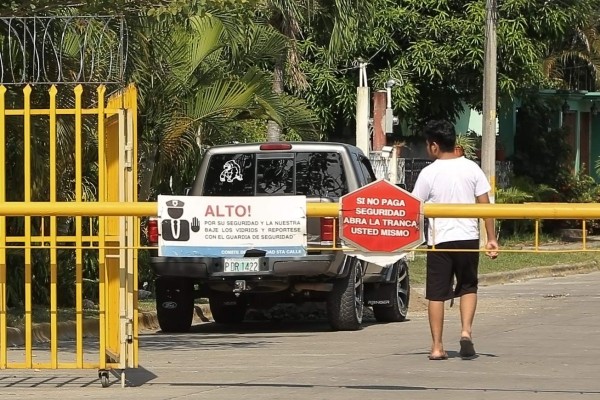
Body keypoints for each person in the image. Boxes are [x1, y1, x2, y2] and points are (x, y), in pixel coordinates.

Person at [412, 120, 499, 361]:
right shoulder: (472, 169)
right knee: (468, 286)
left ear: (434, 146)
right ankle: (465, 332)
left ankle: (437, 346)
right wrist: (491, 238)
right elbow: (485, 206)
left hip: (439, 240)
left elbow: (415, 207)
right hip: (468, 238)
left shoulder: (429, 173)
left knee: (437, 294)